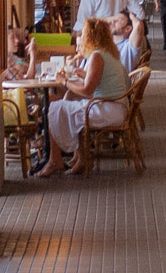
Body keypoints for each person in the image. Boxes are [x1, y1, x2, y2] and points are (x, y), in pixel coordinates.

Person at [35, 19, 131, 177]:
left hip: (107, 110)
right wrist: (85, 74)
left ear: (90, 37)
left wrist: (63, 81)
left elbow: (87, 91)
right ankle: (80, 158)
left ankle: (55, 160)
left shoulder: (97, 56)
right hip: (116, 107)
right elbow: (101, 81)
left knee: (54, 106)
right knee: (69, 101)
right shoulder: (108, 54)